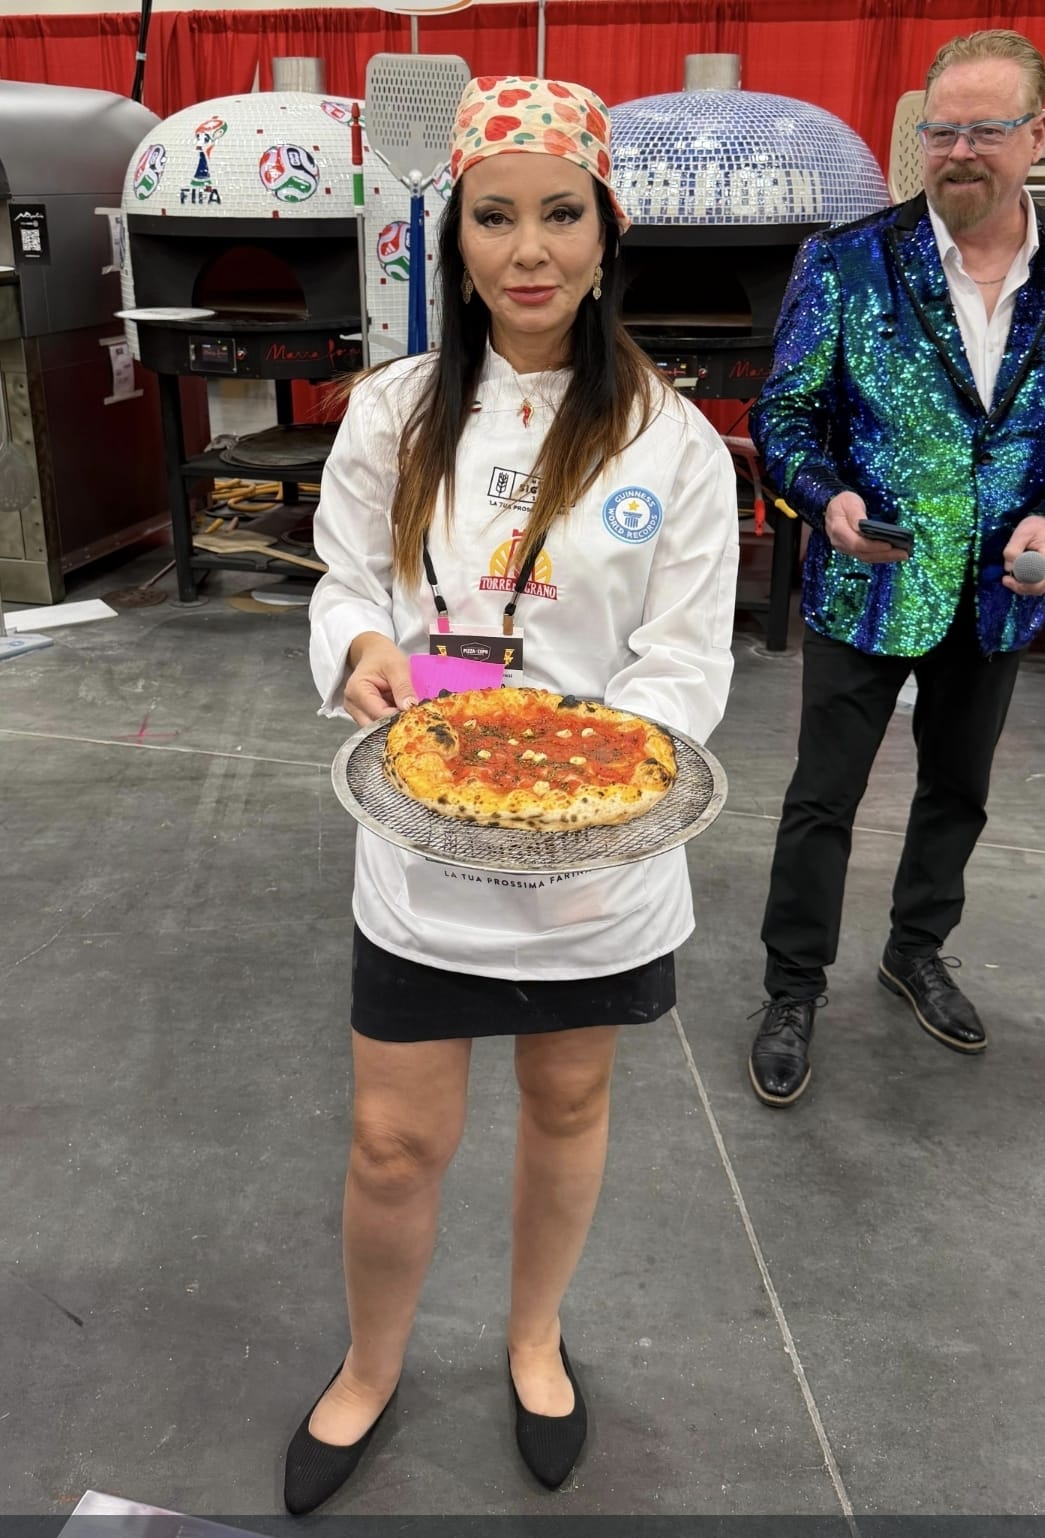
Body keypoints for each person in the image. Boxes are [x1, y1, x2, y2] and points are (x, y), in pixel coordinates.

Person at [286, 75, 740, 1512]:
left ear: (606, 236)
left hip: (596, 856)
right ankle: (370, 1362)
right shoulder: (393, 408)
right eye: (494, 218)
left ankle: (533, 1336)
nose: (527, 249)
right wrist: (359, 646)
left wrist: (575, 772)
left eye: (559, 215)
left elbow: (685, 659)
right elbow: (348, 577)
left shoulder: (667, 436)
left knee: (568, 1100)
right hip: (419, 835)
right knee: (392, 1138)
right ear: (457, 239)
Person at [746, 28, 1045, 1109]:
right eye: (940, 130)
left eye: (985, 129)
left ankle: (915, 949)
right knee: (820, 799)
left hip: (1000, 591)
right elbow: (782, 415)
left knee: (958, 789)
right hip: (865, 579)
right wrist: (822, 497)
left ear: (1035, 137)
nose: (958, 151)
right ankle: (791, 988)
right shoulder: (846, 260)